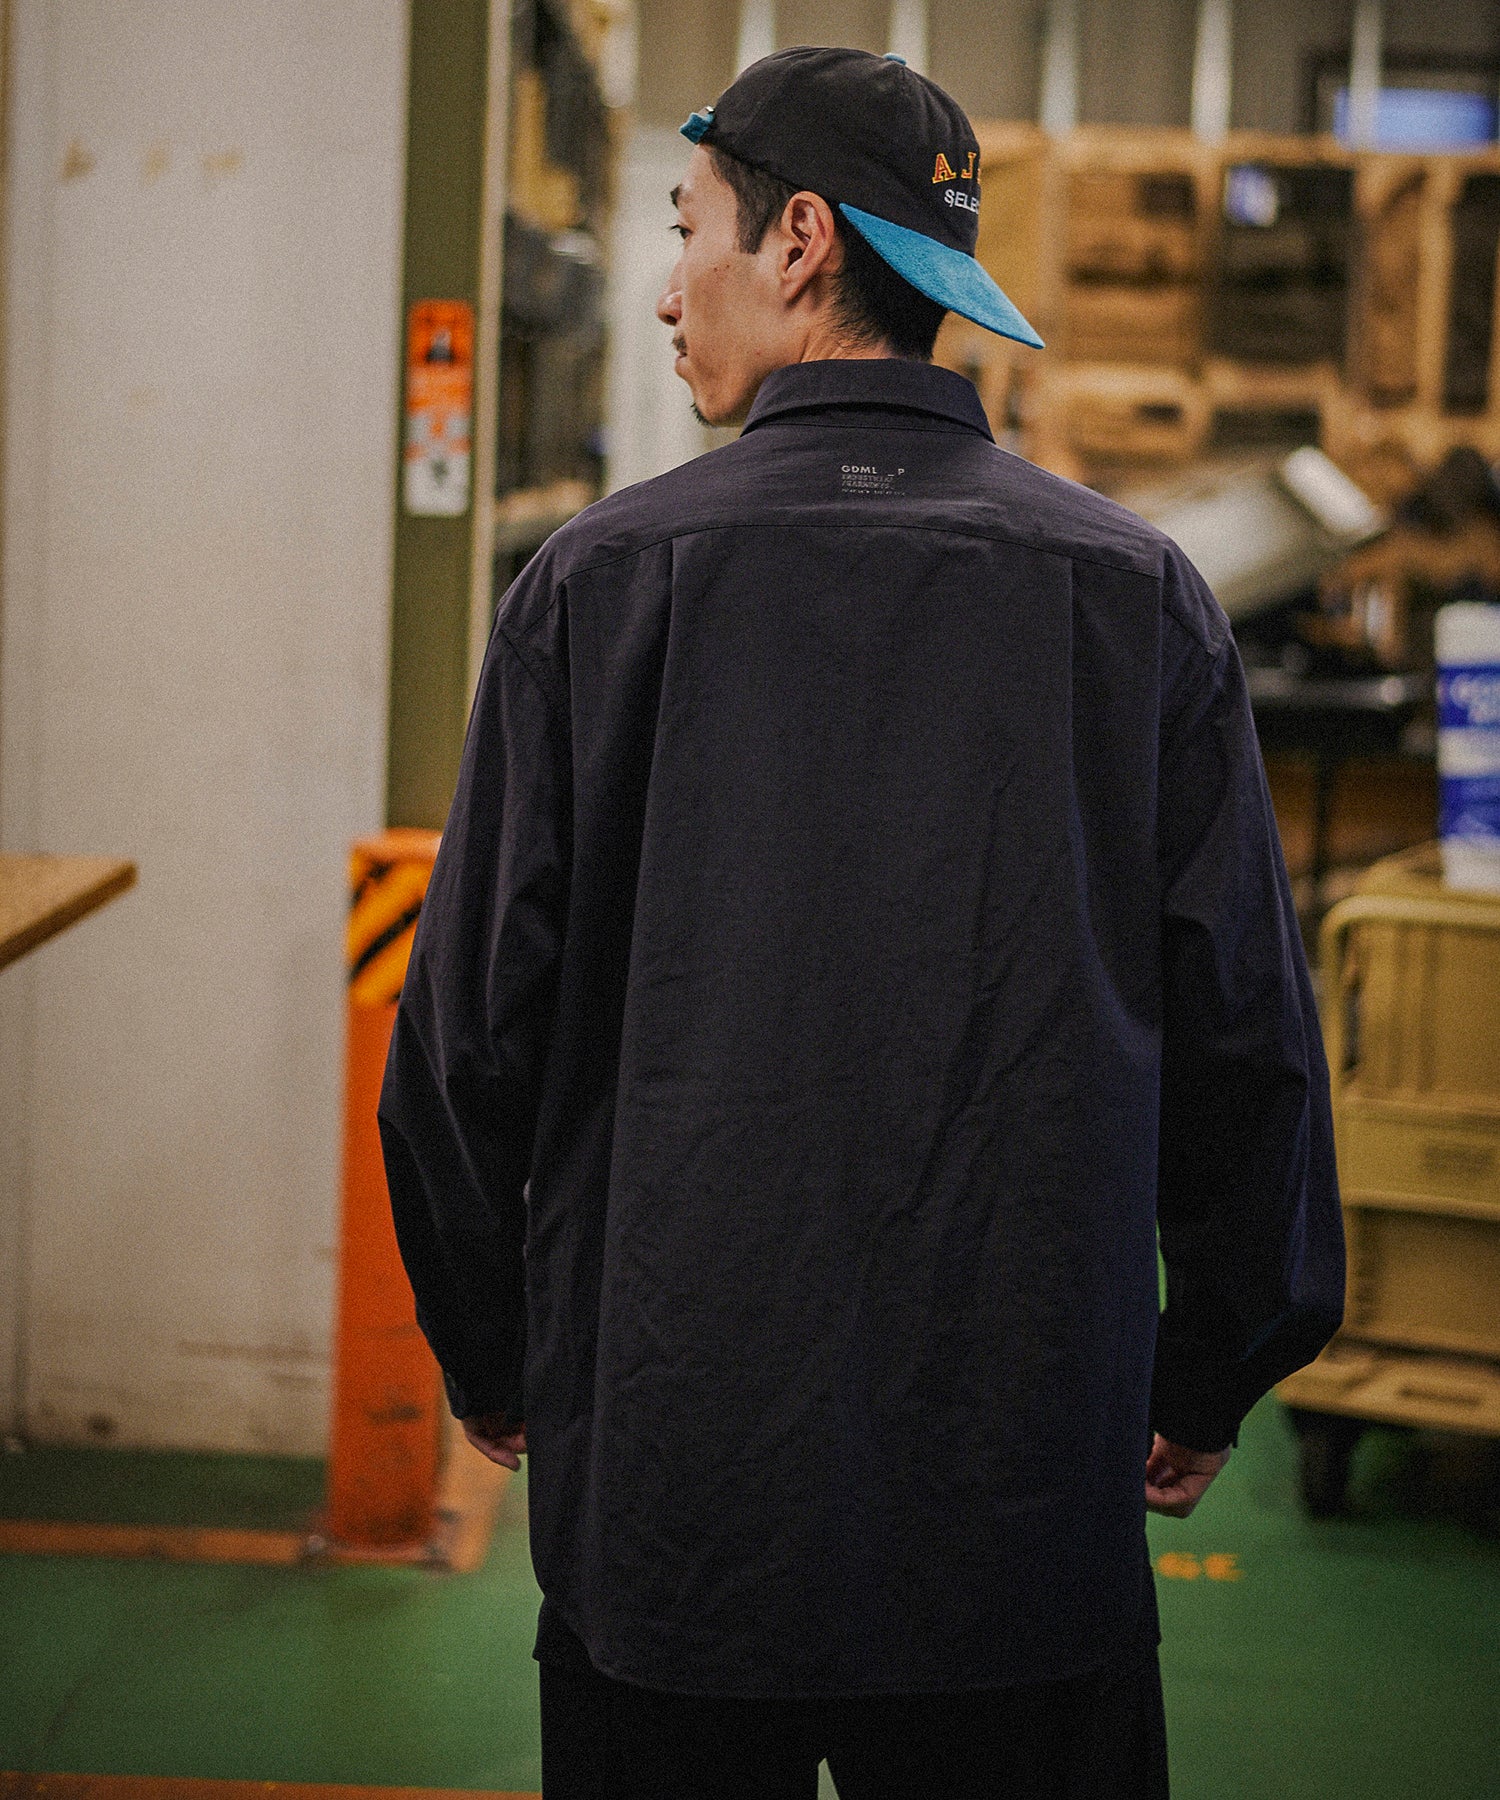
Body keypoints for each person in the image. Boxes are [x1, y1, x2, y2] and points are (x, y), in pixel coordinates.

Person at [378, 46, 1344, 1799]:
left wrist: (496, 1351)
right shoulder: (1135, 595)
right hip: (1018, 1505)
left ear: (801, 240)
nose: (667, 288)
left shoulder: (598, 588)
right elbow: (1250, 1043)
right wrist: (1211, 1364)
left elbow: (459, 1049)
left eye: (689, 230)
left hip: (674, 1503)